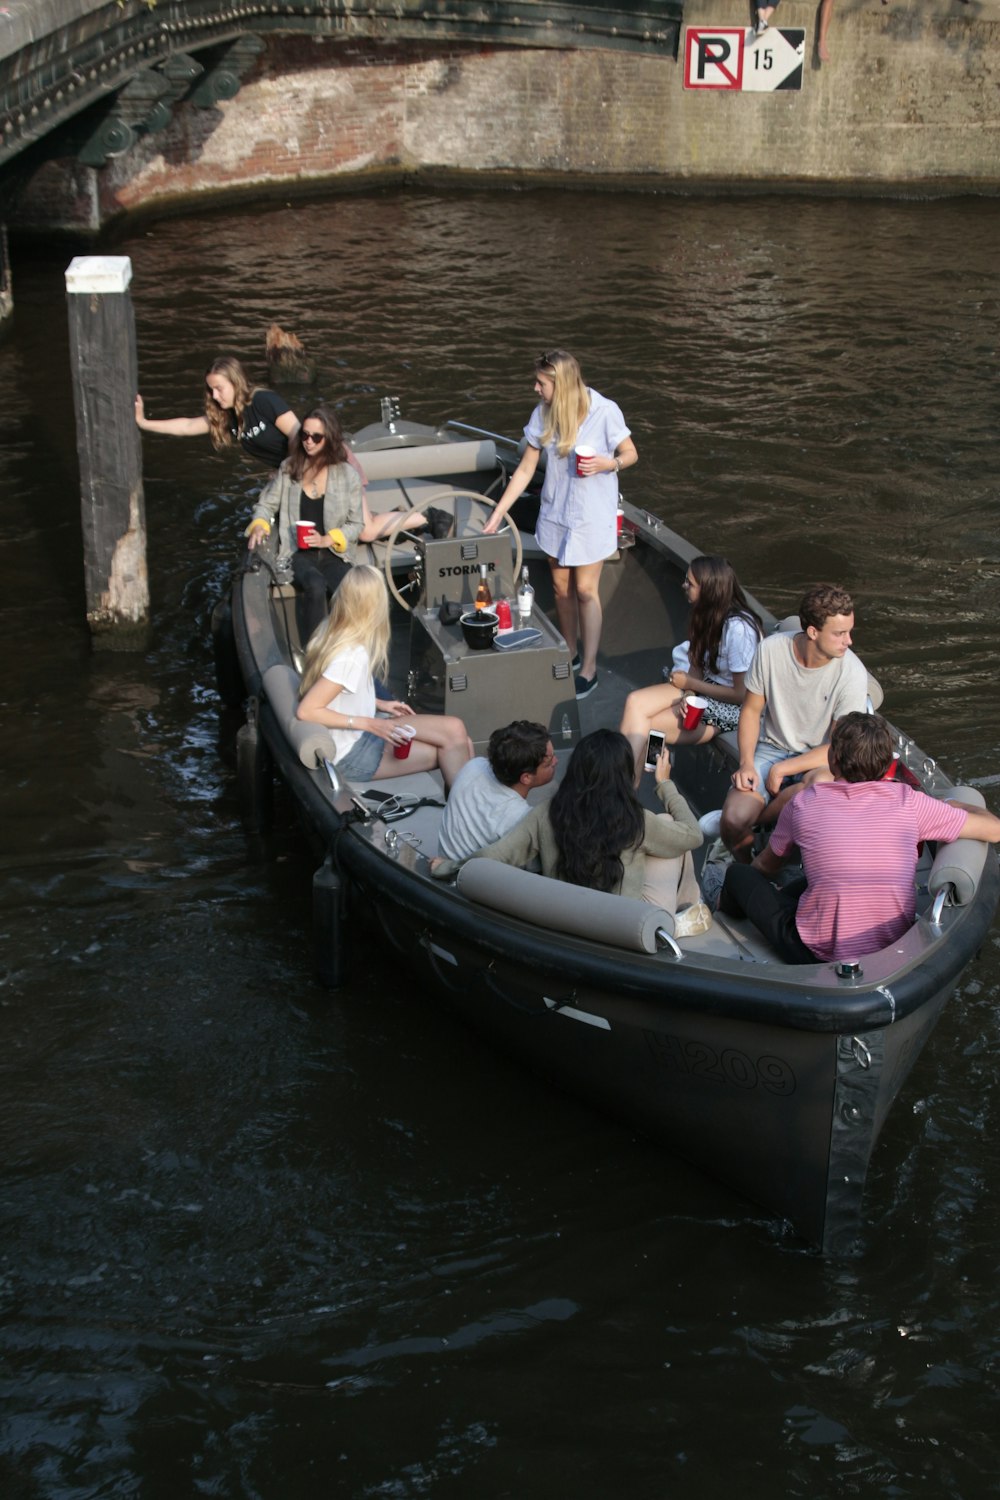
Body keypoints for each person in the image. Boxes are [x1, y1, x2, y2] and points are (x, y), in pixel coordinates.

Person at [718, 712, 1000, 963]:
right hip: (890, 946)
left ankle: (727, 917)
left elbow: (767, 866)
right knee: (806, 883)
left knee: (738, 875)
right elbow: (994, 829)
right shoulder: (910, 802)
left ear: (832, 760)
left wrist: (756, 891)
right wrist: (956, 805)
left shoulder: (803, 803)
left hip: (814, 950)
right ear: (887, 763)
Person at [483, 351, 637, 700]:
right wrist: (498, 513)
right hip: (555, 514)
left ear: (561, 384)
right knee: (560, 588)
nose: (535, 388)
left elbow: (631, 453)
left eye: (541, 383)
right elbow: (525, 469)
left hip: (590, 516)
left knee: (585, 590)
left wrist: (607, 463)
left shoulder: (604, 411)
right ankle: (569, 652)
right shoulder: (543, 413)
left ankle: (590, 668)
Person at [433, 728, 706, 921]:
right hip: (626, 925)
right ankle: (687, 908)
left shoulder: (545, 814)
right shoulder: (636, 820)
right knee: (669, 823)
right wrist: (665, 784)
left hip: (566, 920)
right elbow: (694, 835)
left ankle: (687, 908)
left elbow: (497, 854)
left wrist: (446, 867)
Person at [720, 583, 869, 861]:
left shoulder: (852, 674)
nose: (849, 642)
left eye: (849, 632)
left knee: (819, 791)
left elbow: (839, 748)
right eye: (840, 634)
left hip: (822, 759)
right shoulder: (770, 650)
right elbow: (751, 711)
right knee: (732, 820)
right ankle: (748, 865)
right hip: (771, 747)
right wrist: (747, 763)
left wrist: (784, 768)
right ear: (813, 632)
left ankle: (765, 837)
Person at [296, 564, 471, 790]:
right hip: (353, 752)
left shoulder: (330, 628)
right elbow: (307, 710)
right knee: (455, 748)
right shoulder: (351, 656)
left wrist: (379, 703)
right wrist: (370, 723)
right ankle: (469, 813)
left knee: (457, 731)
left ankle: (468, 807)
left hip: (363, 731)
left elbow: (338, 692)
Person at [619, 555, 763, 781]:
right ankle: (647, 767)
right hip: (704, 688)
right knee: (634, 702)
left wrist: (692, 685)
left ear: (708, 590)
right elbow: (696, 666)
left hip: (733, 707)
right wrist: (688, 693)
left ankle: (633, 783)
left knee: (647, 726)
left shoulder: (739, 630)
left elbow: (741, 695)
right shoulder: (703, 614)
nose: (684, 585)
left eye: (690, 583)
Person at [246, 405, 364, 640]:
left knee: (347, 588)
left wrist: (328, 538)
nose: (308, 442)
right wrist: (259, 523)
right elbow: (266, 504)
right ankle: (314, 648)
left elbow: (356, 524)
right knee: (315, 584)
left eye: (316, 437)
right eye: (304, 435)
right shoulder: (289, 468)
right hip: (297, 552)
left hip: (333, 552)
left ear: (329, 439)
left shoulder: (346, 475)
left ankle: (347, 644)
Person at [134, 355, 298, 468]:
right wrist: (144, 423)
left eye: (219, 388)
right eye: (211, 390)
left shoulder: (262, 400)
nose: (214, 395)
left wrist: (286, 469)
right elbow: (188, 426)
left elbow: (297, 432)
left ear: (236, 382)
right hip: (289, 472)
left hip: (309, 465)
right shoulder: (226, 414)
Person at [436, 720, 557, 863]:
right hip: (465, 878)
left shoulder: (474, 766)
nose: (556, 761)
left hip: (444, 861)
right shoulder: (519, 818)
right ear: (526, 777)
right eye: (548, 763)